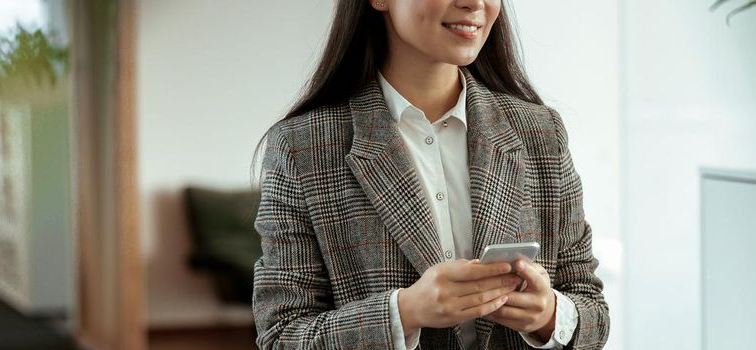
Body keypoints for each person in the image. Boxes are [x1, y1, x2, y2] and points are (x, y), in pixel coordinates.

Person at [252, 0, 609, 349]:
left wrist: (549, 315)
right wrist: (405, 312)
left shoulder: (540, 131)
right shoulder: (303, 145)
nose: (474, 4)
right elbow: (281, 335)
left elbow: (592, 310)